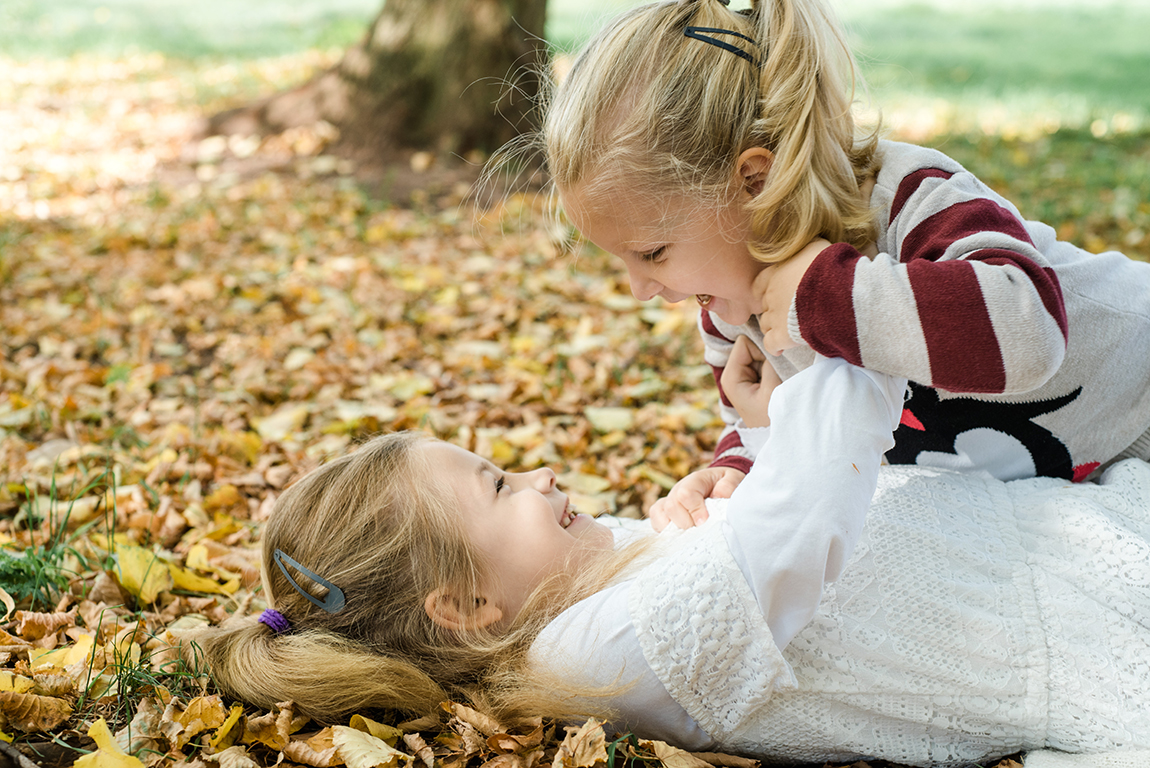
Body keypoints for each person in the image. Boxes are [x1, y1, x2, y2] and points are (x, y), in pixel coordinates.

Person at [187, 354, 1150, 768]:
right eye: (497, 488)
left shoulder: (593, 582)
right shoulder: (592, 654)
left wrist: (757, 434)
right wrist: (839, 359)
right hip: (1069, 620)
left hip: (1053, 535)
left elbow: (783, 524)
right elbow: (796, 534)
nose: (540, 474)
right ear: (469, 605)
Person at [540, 0, 1150, 530]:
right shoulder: (731, 312)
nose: (640, 289)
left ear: (754, 182)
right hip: (1084, 475)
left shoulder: (904, 198)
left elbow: (1027, 329)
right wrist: (738, 464)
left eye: (651, 253)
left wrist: (823, 299)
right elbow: (778, 429)